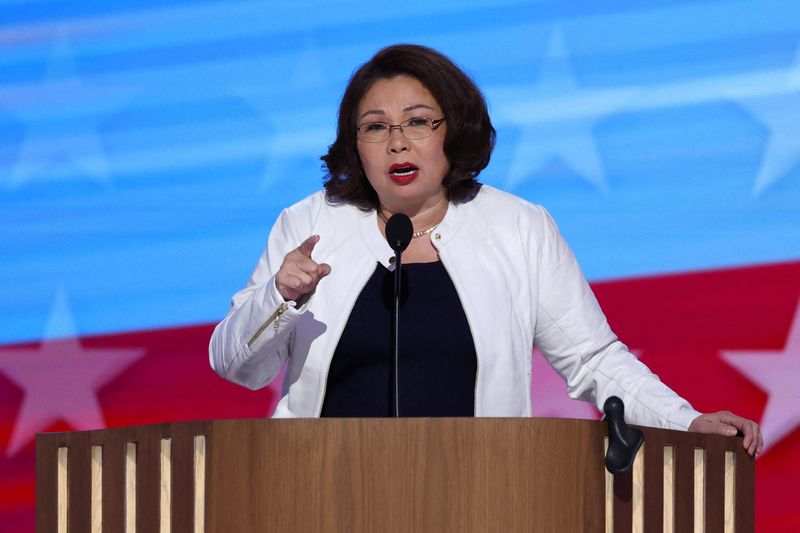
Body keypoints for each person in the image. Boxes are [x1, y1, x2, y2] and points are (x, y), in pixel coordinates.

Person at [209, 44, 763, 455]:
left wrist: (686, 422)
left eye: (418, 122)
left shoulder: (518, 228)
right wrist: (281, 297)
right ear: (355, 145)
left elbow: (593, 360)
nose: (397, 141)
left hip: (480, 493)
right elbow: (238, 367)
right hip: (317, 492)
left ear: (455, 130)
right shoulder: (310, 224)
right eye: (375, 128)